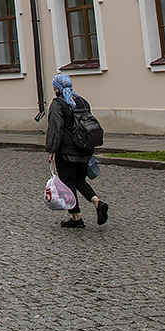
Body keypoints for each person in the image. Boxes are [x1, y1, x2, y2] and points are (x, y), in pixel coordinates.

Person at [45, 73, 109, 229]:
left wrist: (51, 150)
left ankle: (76, 217)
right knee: (80, 181)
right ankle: (97, 203)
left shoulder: (58, 104)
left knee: (68, 183)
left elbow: (55, 129)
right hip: (85, 148)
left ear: (56, 88)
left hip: (66, 152)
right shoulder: (81, 101)